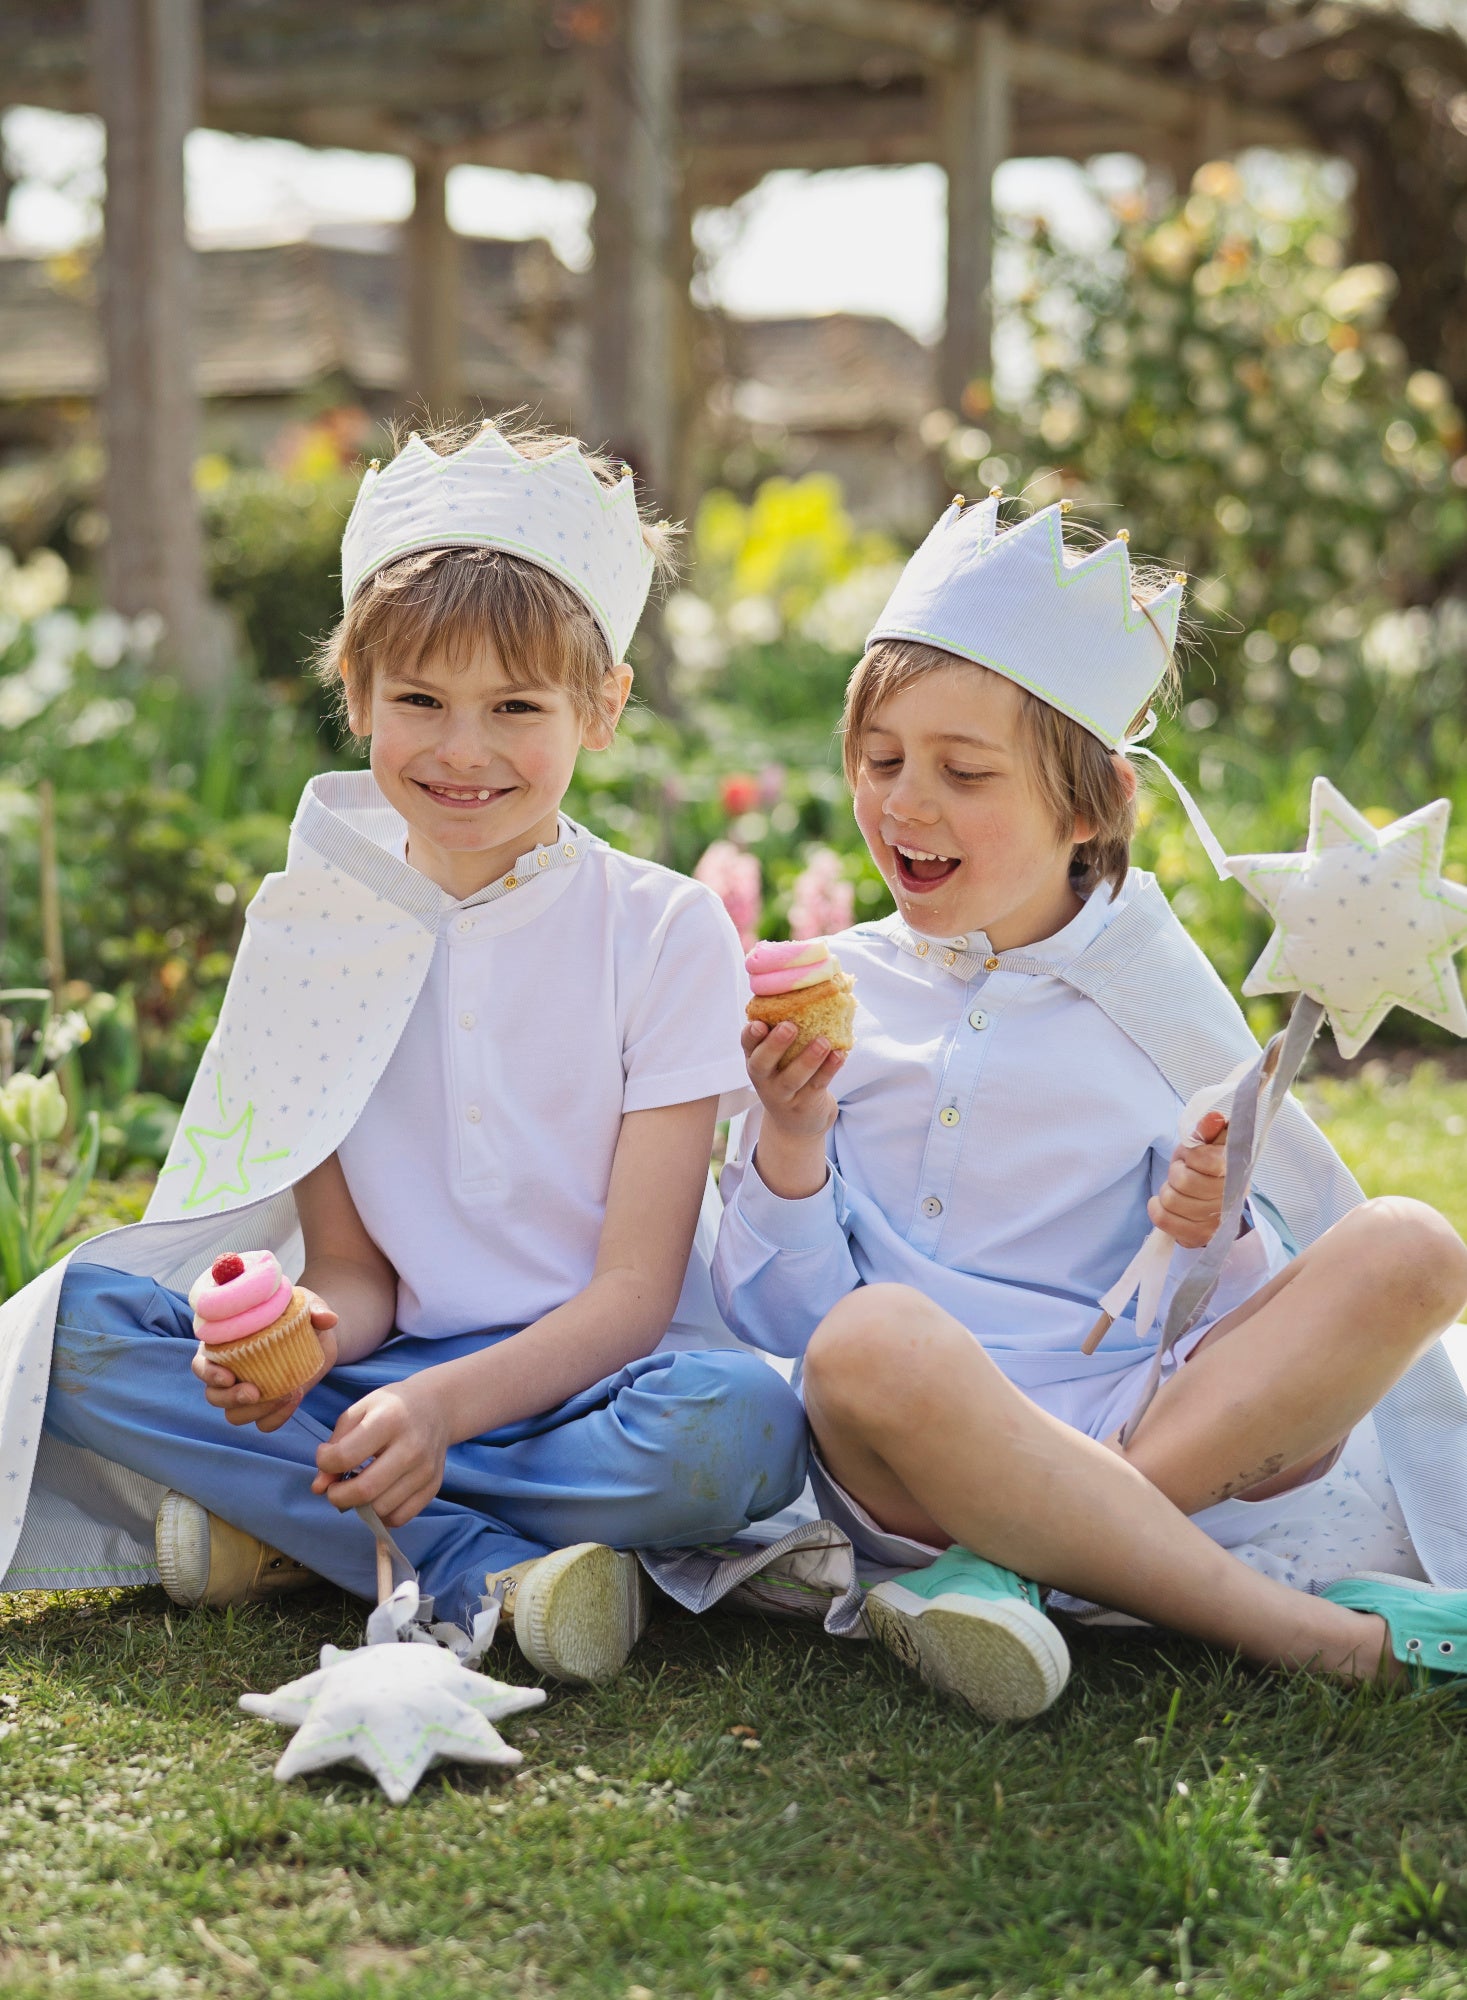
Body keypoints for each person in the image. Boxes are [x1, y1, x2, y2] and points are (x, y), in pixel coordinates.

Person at [33, 419, 806, 1683]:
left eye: (516, 706)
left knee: (749, 1428)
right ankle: (468, 1553)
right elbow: (358, 1271)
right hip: (391, 1377)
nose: (463, 748)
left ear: (601, 706)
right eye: (421, 701)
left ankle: (301, 1527)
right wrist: (298, 1351)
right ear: (358, 697)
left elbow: (632, 1295)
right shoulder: (322, 934)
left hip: (595, 1387)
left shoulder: (662, 930)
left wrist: (442, 1414)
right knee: (78, 1325)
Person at [711, 491, 1467, 1720]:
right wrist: (789, 1139)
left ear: (1093, 805)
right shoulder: (844, 991)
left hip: (1137, 1419)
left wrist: (1205, 1223)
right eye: (884, 759)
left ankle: (1024, 1558)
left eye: (962, 772)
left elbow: (1213, 1315)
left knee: (1413, 1250)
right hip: (911, 1455)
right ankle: (1305, 1637)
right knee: (869, 1340)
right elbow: (783, 1317)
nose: (906, 803)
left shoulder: (1151, 995)